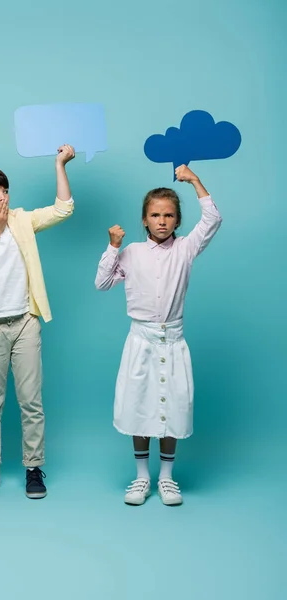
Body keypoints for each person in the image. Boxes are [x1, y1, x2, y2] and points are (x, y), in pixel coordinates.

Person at [95, 165, 222, 506]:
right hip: (141, 341)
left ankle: (166, 478)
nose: (162, 221)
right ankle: (141, 477)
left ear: (177, 220)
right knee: (139, 405)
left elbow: (212, 220)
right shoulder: (132, 253)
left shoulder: (186, 249)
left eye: (168, 215)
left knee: (172, 407)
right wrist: (112, 246)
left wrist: (194, 181)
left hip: (174, 340)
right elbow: (103, 282)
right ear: (144, 219)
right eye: (155, 215)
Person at [0, 144, 75, 498]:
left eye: (5, 190)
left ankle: (34, 469)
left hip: (25, 322)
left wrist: (59, 164)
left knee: (31, 401)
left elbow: (63, 209)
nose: (2, 196)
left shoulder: (22, 219)